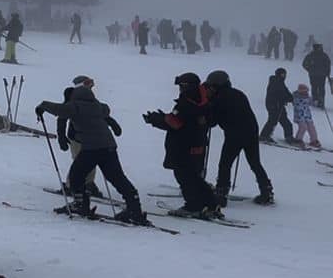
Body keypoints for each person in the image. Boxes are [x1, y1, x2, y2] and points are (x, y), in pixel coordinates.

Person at [37, 77, 146, 223]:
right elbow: (106, 109)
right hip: (109, 146)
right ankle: (134, 208)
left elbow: (59, 110)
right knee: (117, 177)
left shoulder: (75, 106)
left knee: (76, 175)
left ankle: (80, 204)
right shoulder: (97, 106)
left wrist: (42, 105)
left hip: (92, 148)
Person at [142, 73, 221, 218]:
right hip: (198, 144)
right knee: (194, 176)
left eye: (182, 86)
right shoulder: (204, 101)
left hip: (183, 146)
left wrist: (155, 119)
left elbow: (175, 123)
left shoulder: (186, 103)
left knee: (184, 177)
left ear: (188, 86)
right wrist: (165, 118)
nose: (180, 89)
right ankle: (211, 203)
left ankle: (192, 206)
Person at [204, 70, 274, 206]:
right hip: (251, 131)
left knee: (225, 164)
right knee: (255, 163)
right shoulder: (238, 93)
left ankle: (221, 195)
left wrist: (207, 108)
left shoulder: (219, 99)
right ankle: (267, 191)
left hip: (234, 134)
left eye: (211, 86)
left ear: (216, 86)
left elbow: (212, 122)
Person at [56, 79, 105, 198]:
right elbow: (62, 117)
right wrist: (61, 136)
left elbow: (99, 113)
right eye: (88, 85)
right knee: (79, 162)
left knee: (92, 161)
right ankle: (70, 185)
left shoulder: (90, 99)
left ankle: (89, 184)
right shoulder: (72, 98)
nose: (91, 88)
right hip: (76, 137)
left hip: (91, 137)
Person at [259, 67, 297, 144]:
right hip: (274, 105)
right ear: (279, 74)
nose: (284, 76)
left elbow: (286, 92)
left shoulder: (280, 82)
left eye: (285, 74)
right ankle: (264, 136)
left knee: (285, 121)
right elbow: (279, 94)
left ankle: (289, 136)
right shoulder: (275, 82)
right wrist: (287, 98)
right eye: (283, 74)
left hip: (279, 105)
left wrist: (291, 98)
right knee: (273, 121)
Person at [292, 83, 321, 149]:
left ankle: (314, 140)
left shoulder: (307, 97)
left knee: (311, 127)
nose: (306, 93)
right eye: (304, 91)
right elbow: (294, 102)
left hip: (307, 115)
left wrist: (318, 102)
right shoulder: (296, 97)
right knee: (303, 127)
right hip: (299, 116)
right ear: (300, 91)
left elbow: (312, 103)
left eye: (307, 91)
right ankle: (298, 140)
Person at [302, 43, 330, 110]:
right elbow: (328, 65)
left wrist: (309, 70)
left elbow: (304, 64)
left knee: (314, 87)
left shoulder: (310, 55)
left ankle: (315, 100)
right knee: (321, 88)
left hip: (313, 75)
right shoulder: (324, 55)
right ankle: (321, 102)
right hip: (322, 75)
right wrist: (327, 74)